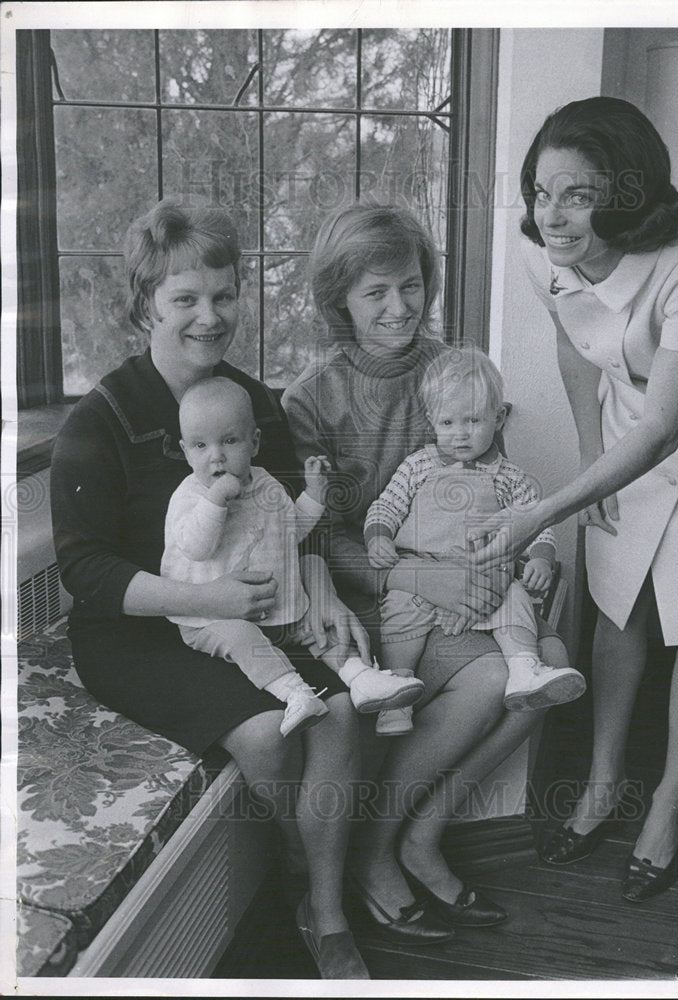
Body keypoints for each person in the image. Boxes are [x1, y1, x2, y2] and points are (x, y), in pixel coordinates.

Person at [50, 201, 371, 978]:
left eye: (224, 295)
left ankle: (325, 914)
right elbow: (85, 574)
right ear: (144, 305)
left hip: (254, 617)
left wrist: (327, 598)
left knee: (339, 713)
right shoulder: (99, 420)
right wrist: (211, 600)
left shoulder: (255, 405)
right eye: (185, 298)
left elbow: (292, 527)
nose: (209, 316)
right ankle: (303, 864)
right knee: (268, 732)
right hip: (138, 631)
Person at [468, 96, 678, 903]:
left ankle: (667, 802)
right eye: (540, 190)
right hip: (629, 423)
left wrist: (546, 509)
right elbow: (577, 351)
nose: (552, 215)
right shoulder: (544, 250)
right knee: (618, 601)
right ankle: (603, 782)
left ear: (624, 196)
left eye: (578, 194)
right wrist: (590, 454)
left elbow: (670, 426)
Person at [282, 204, 571, 941]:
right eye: (374, 292)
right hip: (364, 600)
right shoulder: (311, 399)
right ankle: (379, 852)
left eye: (409, 285)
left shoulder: (452, 374)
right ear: (340, 300)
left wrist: (525, 554)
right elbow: (314, 541)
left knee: (552, 664)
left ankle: (415, 836)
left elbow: (498, 483)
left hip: (456, 589)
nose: (398, 307)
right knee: (493, 678)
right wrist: (411, 580)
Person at [161, 375, 425, 738]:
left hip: (275, 606)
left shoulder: (266, 484)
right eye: (200, 445)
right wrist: (215, 502)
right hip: (210, 618)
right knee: (242, 638)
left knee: (320, 628)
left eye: (230, 441)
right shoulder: (190, 496)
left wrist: (315, 495)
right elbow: (195, 547)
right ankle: (296, 694)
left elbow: (291, 532)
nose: (216, 455)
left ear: (254, 443)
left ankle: (363, 678)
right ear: (185, 450)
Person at [364, 346, 586, 736]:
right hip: (424, 571)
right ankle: (396, 693)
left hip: (486, 577)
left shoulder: (509, 476)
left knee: (515, 599)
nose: (460, 433)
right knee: (399, 612)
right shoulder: (418, 466)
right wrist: (378, 536)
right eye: (448, 422)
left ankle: (523, 669)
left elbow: (538, 521)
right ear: (432, 419)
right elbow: (386, 506)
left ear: (498, 418)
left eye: (473, 420)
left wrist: (540, 558)